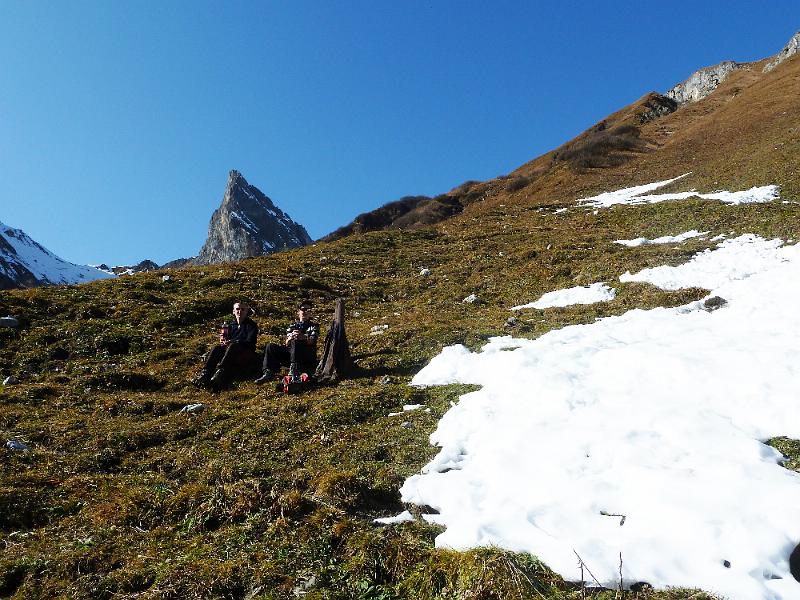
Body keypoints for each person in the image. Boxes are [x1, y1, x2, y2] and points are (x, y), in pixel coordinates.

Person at [193, 301, 259, 389]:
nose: (240, 311)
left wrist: (235, 341)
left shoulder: (251, 325)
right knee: (217, 347)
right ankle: (205, 374)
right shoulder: (230, 325)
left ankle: (221, 373)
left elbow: (251, 341)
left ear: (246, 311)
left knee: (233, 346)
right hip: (230, 350)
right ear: (233, 311)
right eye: (238, 309)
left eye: (243, 309)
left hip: (244, 351)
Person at [255, 299, 319, 383]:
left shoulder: (314, 326)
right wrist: (291, 337)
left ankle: (295, 370)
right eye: (303, 309)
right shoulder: (292, 326)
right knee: (270, 347)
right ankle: (269, 372)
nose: (305, 312)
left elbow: (312, 341)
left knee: (297, 341)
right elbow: (287, 342)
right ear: (298, 311)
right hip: (291, 354)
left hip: (306, 355)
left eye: (308, 310)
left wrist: (302, 337)